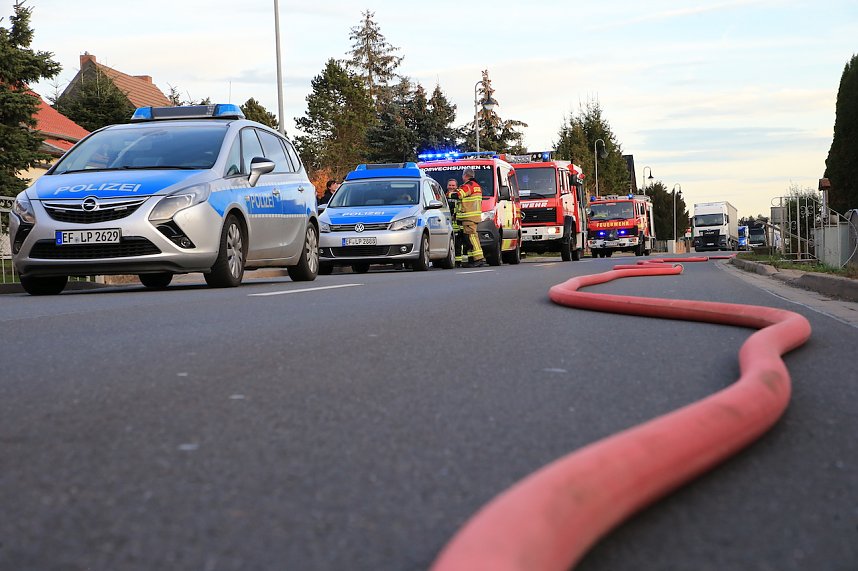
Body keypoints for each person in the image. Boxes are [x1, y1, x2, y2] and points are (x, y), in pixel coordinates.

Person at [450, 168, 486, 268]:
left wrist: (448, 194)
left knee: (472, 238)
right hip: (473, 217)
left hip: (468, 217)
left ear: (465, 175)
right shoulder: (477, 186)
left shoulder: (469, 185)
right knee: (470, 239)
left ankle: (479, 259)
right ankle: (473, 259)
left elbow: (458, 195)